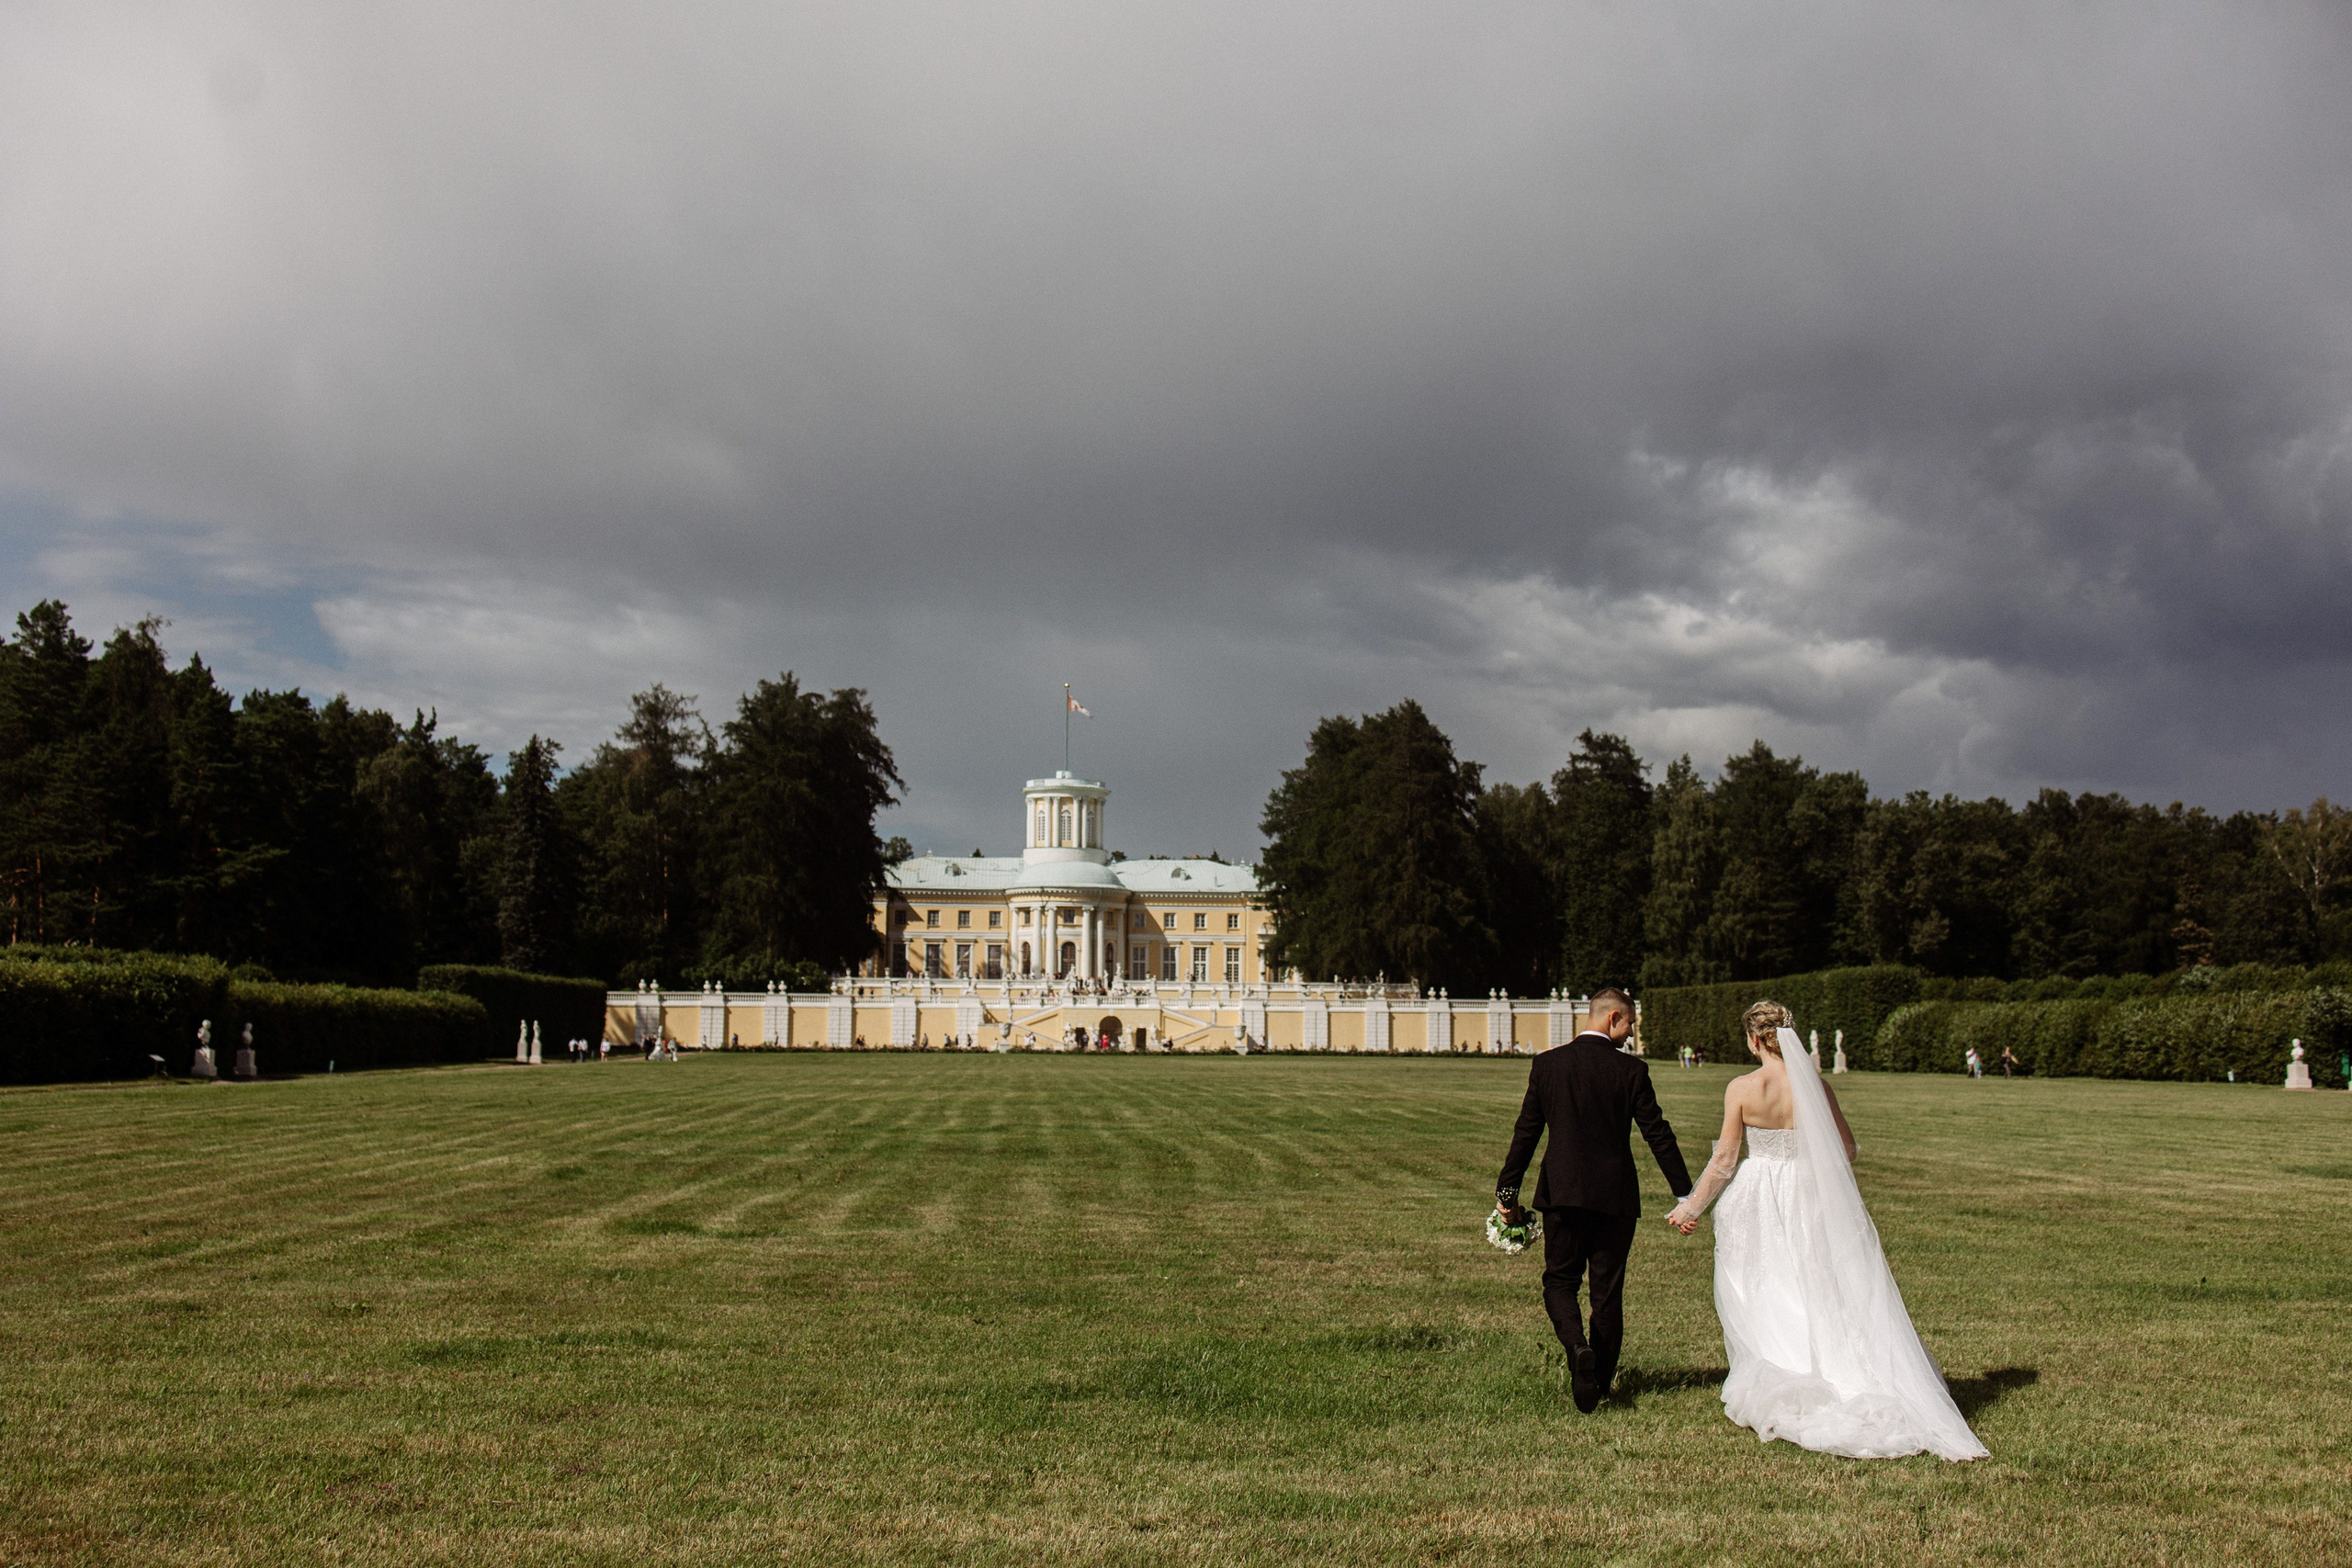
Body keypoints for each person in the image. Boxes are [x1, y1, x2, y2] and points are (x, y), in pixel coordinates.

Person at [1665, 1001, 1986, 1461]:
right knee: (1817, 1282)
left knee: (1762, 1285)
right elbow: (1847, 1150)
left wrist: (1690, 1208)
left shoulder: (1743, 1088)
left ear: (1754, 1040)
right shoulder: (1816, 1086)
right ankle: (1840, 1369)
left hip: (1758, 1196)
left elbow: (1725, 1161)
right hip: (1809, 1193)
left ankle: (1784, 1368)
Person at [1494, 987, 1692, 1414]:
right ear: (1613, 1017)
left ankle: (1577, 1348)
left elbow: (1526, 1133)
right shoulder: (1631, 1071)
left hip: (1562, 1193)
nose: (1631, 1034)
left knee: (1559, 1282)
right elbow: (1657, 1133)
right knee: (1607, 1293)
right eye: (1630, 1025)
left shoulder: (1548, 1065)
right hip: (1615, 1196)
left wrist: (1507, 1194)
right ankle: (1599, 1384)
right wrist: (1685, 1194)